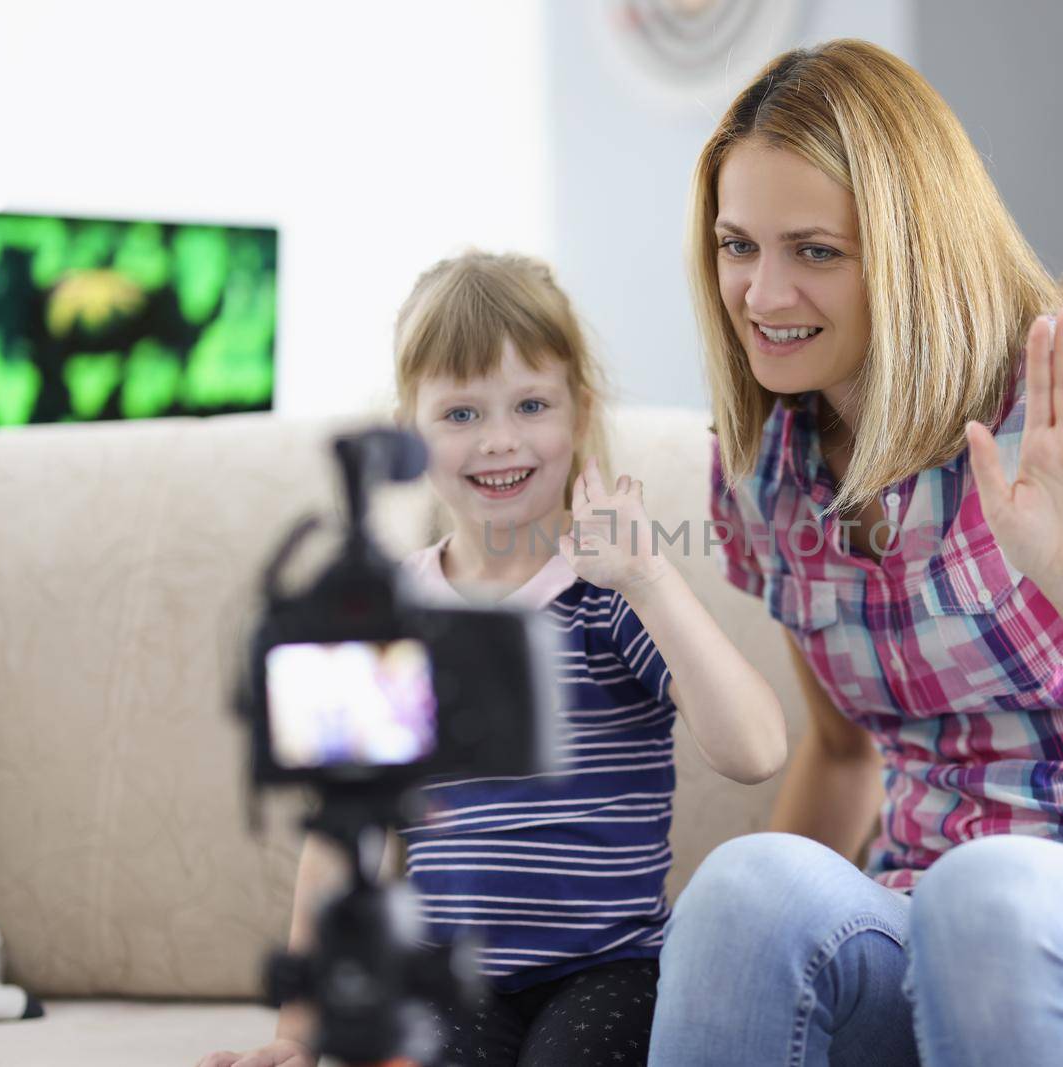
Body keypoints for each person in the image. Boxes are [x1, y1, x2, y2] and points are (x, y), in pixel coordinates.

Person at [649, 39, 1063, 1067]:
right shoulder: (768, 468)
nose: (762, 292)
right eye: (737, 244)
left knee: (991, 886)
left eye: (815, 251)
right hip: (931, 929)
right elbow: (842, 756)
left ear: (914, 248)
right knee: (745, 883)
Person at [197, 251, 786, 1067]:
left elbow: (756, 749)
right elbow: (342, 838)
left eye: (530, 404)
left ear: (579, 415)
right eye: (462, 413)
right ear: (410, 435)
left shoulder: (614, 593)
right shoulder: (391, 615)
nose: (500, 440)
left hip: (612, 970)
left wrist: (651, 579)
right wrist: (298, 1033)